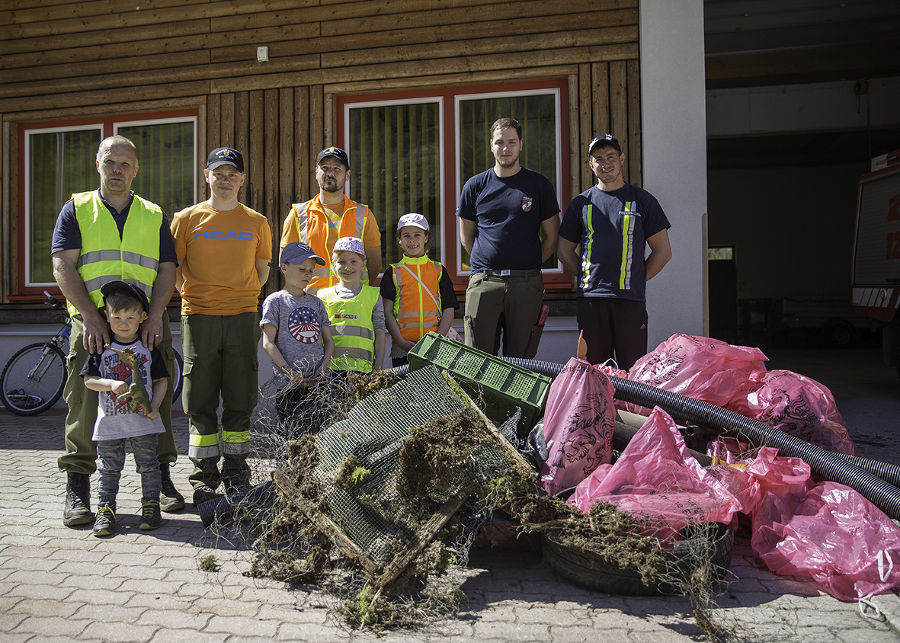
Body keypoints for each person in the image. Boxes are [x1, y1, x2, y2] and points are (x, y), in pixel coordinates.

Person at [51, 135, 184, 527]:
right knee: (84, 398)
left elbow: (166, 270)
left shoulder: (153, 214)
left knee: (155, 394)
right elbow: (63, 265)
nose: (117, 170)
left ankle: (159, 479)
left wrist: (156, 315)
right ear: (98, 164)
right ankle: (78, 487)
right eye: (110, 162)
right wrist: (91, 317)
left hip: (144, 325)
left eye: (125, 164)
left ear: (136, 169)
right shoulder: (77, 209)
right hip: (94, 323)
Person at [170, 147, 272, 505]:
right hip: (198, 316)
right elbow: (174, 270)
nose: (225, 180)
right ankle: (203, 478)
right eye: (219, 173)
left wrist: (239, 297)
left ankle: (236, 474)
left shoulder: (257, 222)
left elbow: (261, 271)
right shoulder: (186, 219)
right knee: (199, 398)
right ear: (206, 176)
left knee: (240, 397)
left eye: (232, 174)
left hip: (243, 316)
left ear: (242, 179)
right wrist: (197, 297)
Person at [558, 133, 672, 370]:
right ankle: (599, 409)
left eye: (610, 156)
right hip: (591, 301)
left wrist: (637, 278)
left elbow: (663, 252)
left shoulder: (643, 200)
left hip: (630, 301)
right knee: (593, 370)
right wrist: (586, 276)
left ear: (621, 159)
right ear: (590, 165)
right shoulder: (581, 203)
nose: (605, 163)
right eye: (598, 158)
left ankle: (630, 409)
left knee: (634, 371)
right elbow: (563, 250)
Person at [457, 117, 560, 357]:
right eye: (500, 142)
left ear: (521, 144)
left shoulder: (538, 185)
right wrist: (488, 264)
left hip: (526, 283)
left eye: (512, 142)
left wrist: (528, 264)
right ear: (491, 144)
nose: (506, 148)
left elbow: (552, 237)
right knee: (478, 361)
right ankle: (480, 398)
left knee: (521, 361)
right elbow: (466, 238)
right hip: (485, 283)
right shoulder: (474, 186)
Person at [82, 281, 169, 537]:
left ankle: (151, 506)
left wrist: (155, 407)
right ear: (106, 317)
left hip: (144, 421)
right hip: (110, 425)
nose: (123, 323)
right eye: (117, 317)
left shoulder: (148, 349)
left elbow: (161, 380)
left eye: (130, 317)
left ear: (142, 317)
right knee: (109, 468)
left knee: (149, 466)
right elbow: (88, 381)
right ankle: (105, 510)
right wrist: (109, 383)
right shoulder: (101, 348)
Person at [280, 146, 382, 294]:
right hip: (311, 301)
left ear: (347, 175)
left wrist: (359, 293)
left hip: (352, 303)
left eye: (337, 169)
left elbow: (375, 264)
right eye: (325, 168)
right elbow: (285, 263)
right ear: (316, 173)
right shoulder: (298, 214)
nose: (330, 173)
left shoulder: (363, 214)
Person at [260, 242, 334, 430]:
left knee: (317, 433)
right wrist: (292, 374)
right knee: (292, 434)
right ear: (284, 268)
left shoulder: (317, 303)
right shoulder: (275, 301)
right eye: (302, 269)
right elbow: (268, 344)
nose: (308, 274)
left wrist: (323, 369)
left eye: (311, 270)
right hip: (288, 386)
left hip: (317, 383)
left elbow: (329, 341)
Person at [380, 213, 458, 367]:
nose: (412, 240)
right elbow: (386, 312)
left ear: (426, 238)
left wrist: (438, 339)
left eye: (417, 235)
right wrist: (401, 342)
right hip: (403, 348)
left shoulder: (439, 270)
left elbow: (449, 308)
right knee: (405, 389)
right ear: (400, 240)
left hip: (435, 346)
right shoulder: (393, 272)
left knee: (433, 390)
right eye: (406, 236)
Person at [318, 236, 386, 373]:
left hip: (363, 371)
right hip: (330, 372)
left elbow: (380, 333)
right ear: (333, 265)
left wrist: (378, 367)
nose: (347, 267)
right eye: (341, 262)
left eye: (353, 261)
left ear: (363, 264)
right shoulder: (322, 296)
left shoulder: (373, 296)